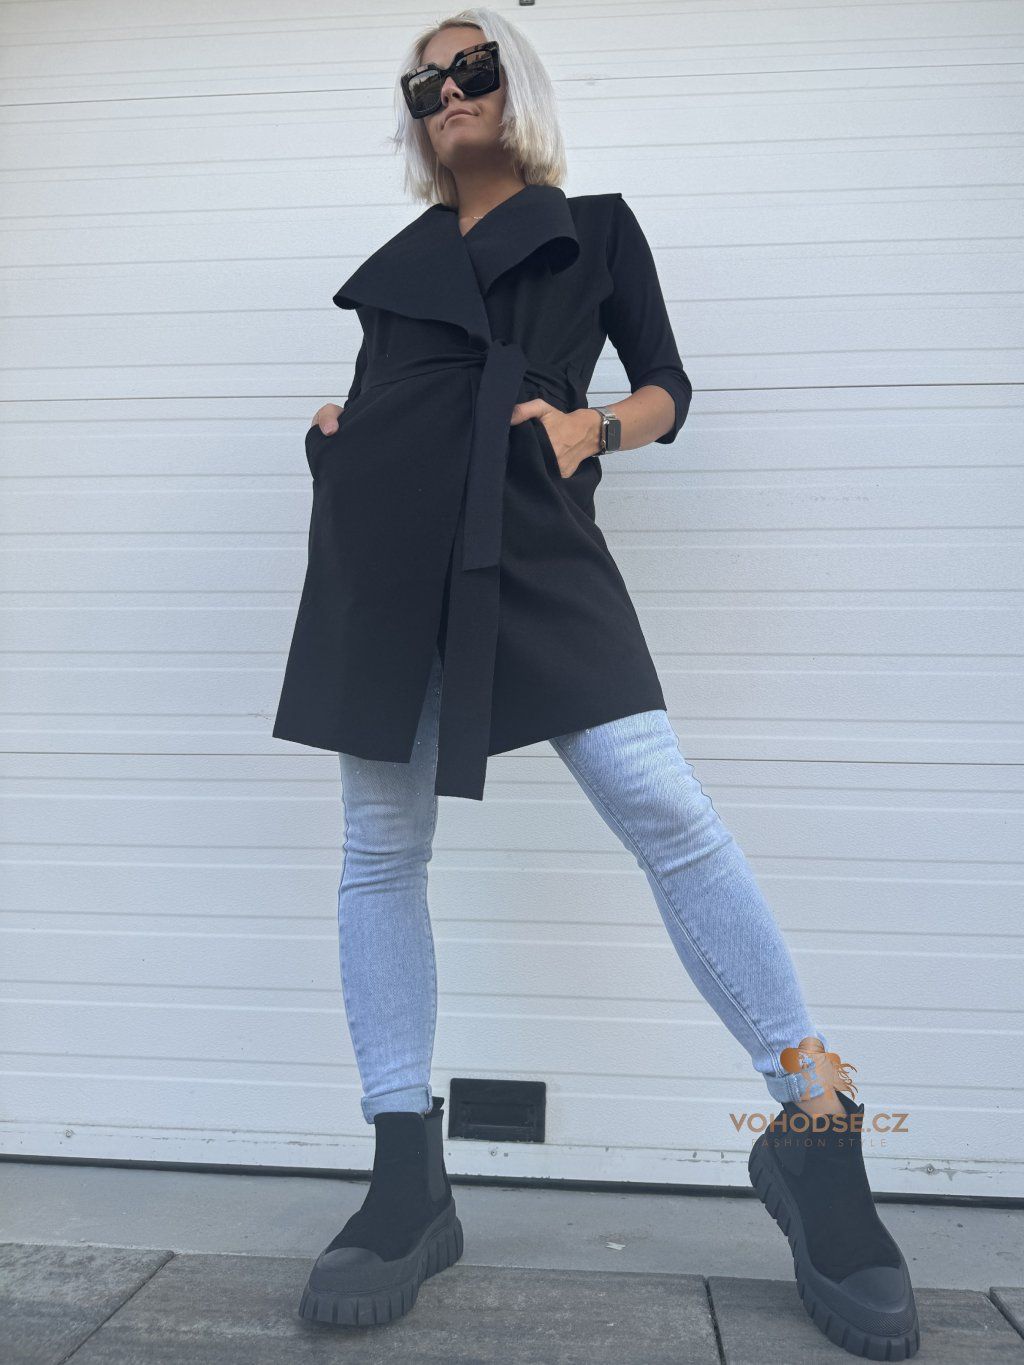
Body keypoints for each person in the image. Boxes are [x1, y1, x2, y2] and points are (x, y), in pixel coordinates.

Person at [279, 9, 920, 1358]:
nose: (447, 92)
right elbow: (381, 389)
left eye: (471, 68)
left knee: (663, 805)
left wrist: (593, 429)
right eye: (424, 83)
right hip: (388, 544)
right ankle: (406, 1174)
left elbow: (669, 385)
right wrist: (339, 434)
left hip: (529, 524)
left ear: (515, 85)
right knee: (380, 848)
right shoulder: (396, 266)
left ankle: (814, 1126)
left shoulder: (598, 230)